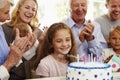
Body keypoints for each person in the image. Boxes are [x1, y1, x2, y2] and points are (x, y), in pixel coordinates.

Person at [1, 0, 42, 79]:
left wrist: (41, 44)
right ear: (19, 8)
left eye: (33, 10)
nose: (30, 12)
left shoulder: (38, 33)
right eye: (27, 7)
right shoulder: (4, 29)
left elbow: (39, 62)